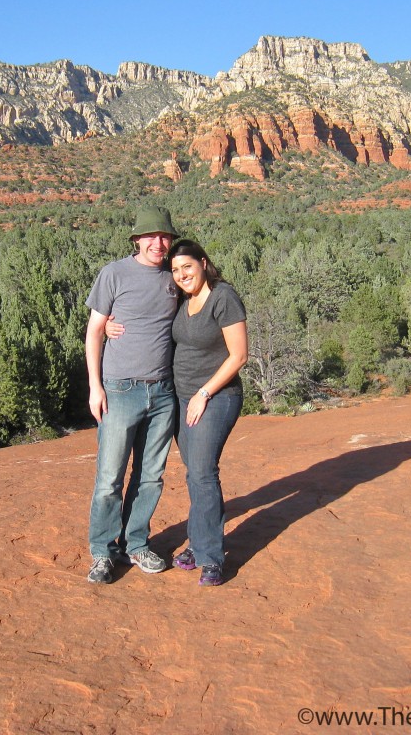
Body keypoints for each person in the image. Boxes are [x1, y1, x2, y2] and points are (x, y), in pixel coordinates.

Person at [84, 205, 180, 584]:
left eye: (165, 236)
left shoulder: (176, 275)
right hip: (120, 389)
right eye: (152, 236)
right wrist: (95, 386)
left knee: (151, 476)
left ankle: (135, 543)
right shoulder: (113, 273)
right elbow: (94, 332)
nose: (159, 243)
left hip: (163, 392)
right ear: (137, 239)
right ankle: (103, 552)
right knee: (110, 476)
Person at [166, 239, 248, 586]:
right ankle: (199, 546)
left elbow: (239, 355)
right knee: (194, 474)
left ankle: (212, 557)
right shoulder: (185, 300)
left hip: (215, 397)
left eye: (187, 266)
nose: (182, 274)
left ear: (203, 262)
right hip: (182, 398)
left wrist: (203, 393)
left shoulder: (222, 296)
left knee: (202, 473)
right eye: (175, 270)